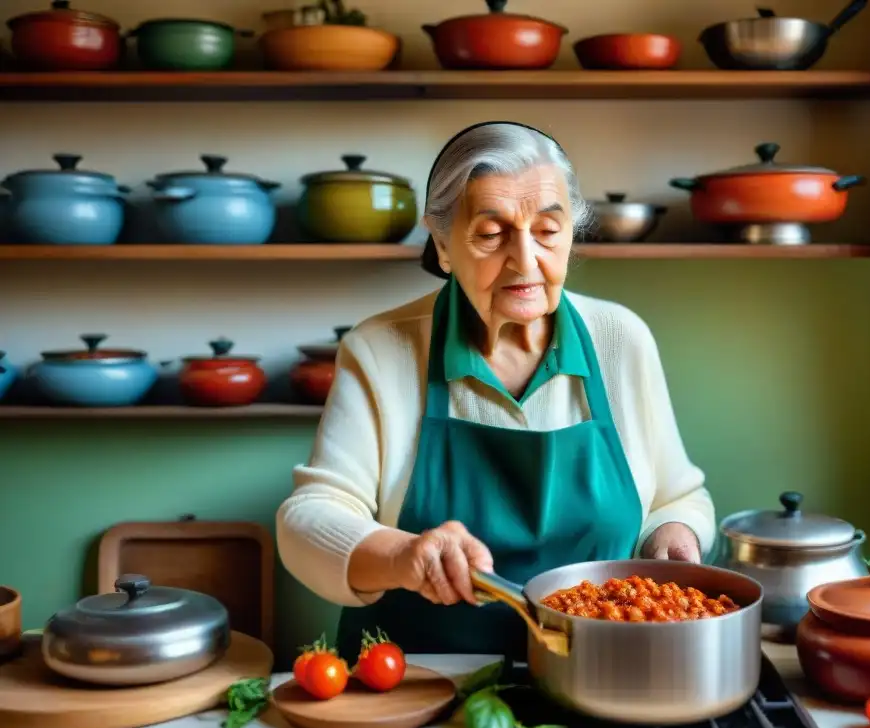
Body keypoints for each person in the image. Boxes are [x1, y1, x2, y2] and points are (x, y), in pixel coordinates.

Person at [276, 121, 716, 662]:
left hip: (599, 672)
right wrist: (402, 556)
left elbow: (676, 496)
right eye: (491, 233)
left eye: (548, 230)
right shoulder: (381, 349)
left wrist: (673, 535)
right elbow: (308, 518)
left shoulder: (621, 339)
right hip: (415, 681)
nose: (526, 260)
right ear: (441, 244)